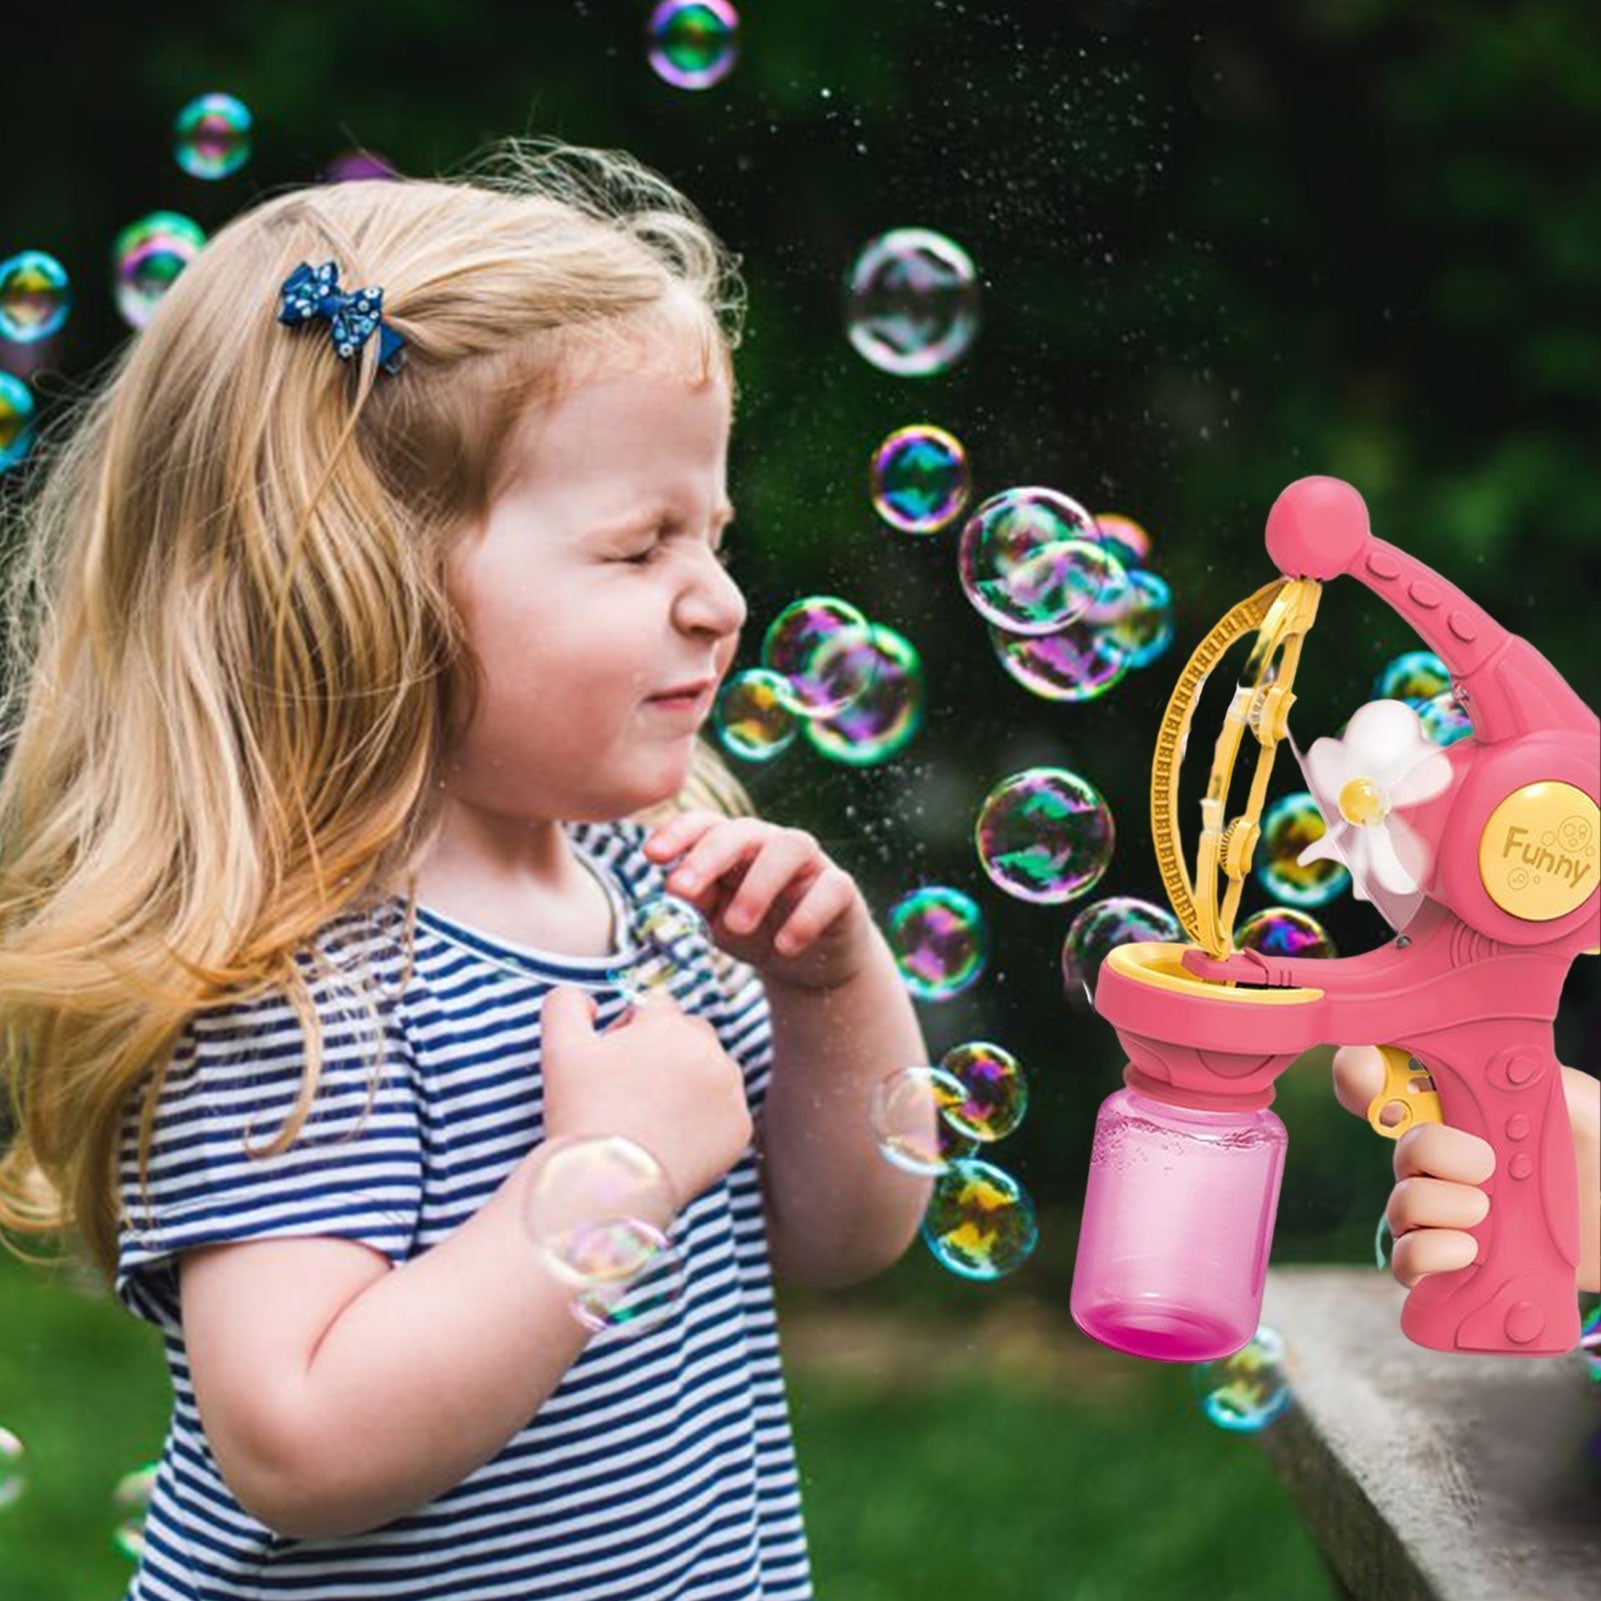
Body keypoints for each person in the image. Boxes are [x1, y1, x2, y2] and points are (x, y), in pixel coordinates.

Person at [0, 138, 933, 1600]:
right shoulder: (289, 989)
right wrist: (601, 1177)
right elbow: (298, 1443)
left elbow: (841, 1232)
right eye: (639, 550)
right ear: (364, 578)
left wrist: (833, 991)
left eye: (714, 535)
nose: (721, 599)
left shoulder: (655, 890)